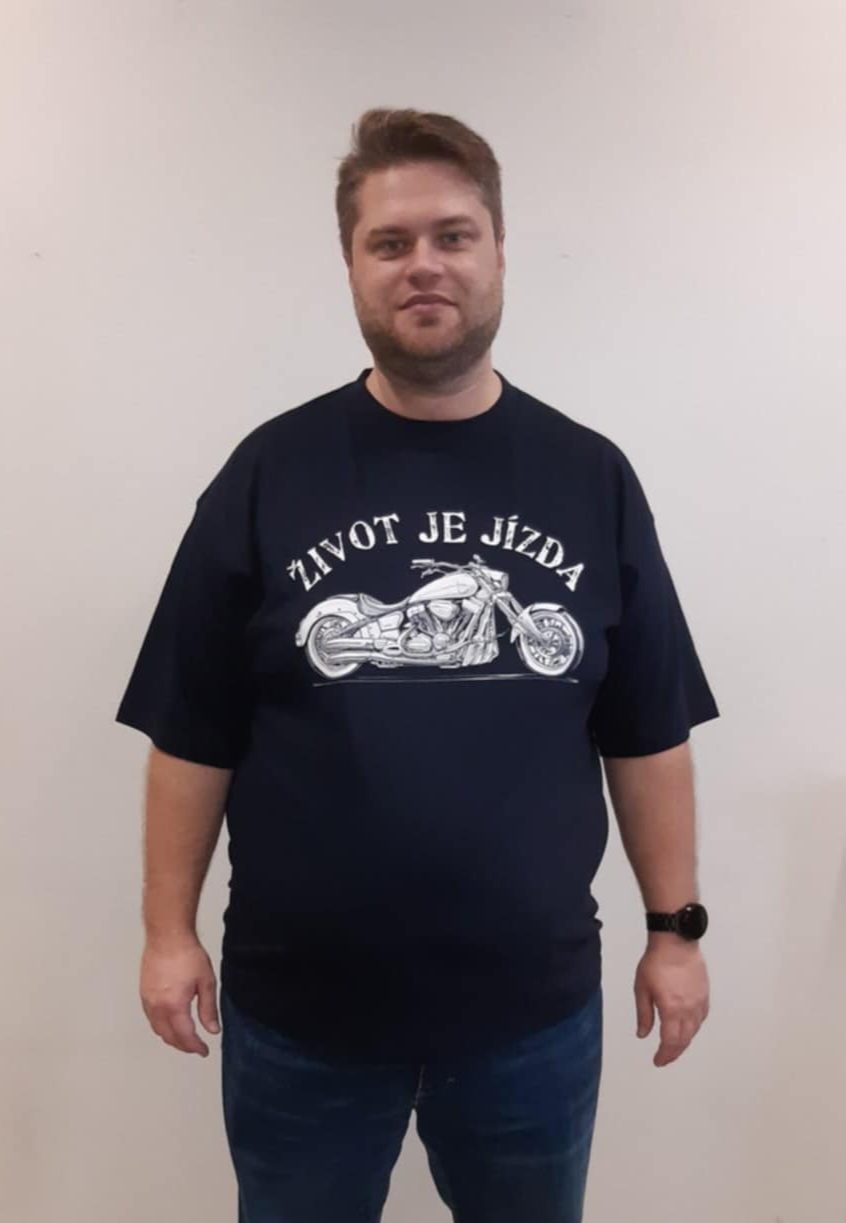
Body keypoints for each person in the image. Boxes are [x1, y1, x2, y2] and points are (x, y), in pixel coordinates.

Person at [115, 107, 719, 1223]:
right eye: (388, 242)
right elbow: (190, 730)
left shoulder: (588, 475)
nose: (422, 264)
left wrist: (673, 933)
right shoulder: (268, 471)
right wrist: (166, 933)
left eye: (452, 234)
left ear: (498, 252)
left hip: (529, 1014)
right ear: (351, 265)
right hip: (299, 1013)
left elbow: (648, 732)